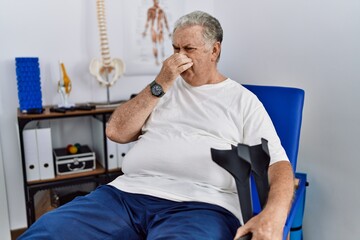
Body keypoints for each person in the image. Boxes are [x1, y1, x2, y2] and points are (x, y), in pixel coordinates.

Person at [19, 11, 294, 240]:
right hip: (124, 197)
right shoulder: (161, 90)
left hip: (202, 207)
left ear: (214, 50)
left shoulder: (243, 101)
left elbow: (278, 164)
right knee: (46, 232)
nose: (177, 57)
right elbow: (115, 131)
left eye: (188, 49)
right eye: (174, 48)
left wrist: (274, 215)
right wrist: (160, 82)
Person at [142, 0, 171, 65]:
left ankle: (163, 60)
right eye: (155, 1)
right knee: (154, 45)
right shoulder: (150, 10)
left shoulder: (161, 10)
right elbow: (147, 20)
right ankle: (156, 60)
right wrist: (145, 31)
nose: (157, 2)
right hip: (153, 30)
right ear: (153, 1)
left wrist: (169, 32)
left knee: (162, 45)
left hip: (160, 29)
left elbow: (166, 21)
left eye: (157, 1)